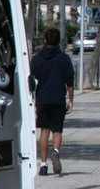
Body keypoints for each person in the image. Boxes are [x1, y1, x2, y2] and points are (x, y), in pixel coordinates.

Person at [29, 26, 76, 176]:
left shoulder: (36, 59)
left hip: (42, 99)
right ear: (58, 42)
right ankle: (55, 151)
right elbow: (70, 81)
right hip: (58, 99)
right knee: (57, 130)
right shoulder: (64, 58)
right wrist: (71, 100)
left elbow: (31, 81)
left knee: (44, 131)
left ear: (44, 41)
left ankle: (43, 165)